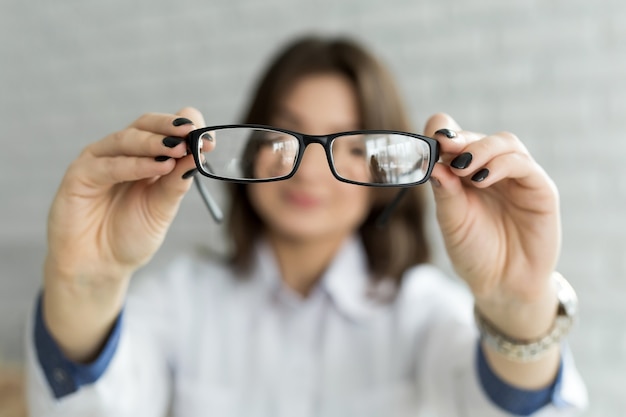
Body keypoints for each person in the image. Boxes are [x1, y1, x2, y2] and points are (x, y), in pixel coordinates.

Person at [25, 35, 588, 416]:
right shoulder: (178, 300)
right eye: (283, 135)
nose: (310, 168)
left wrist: (518, 309)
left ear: (386, 173)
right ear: (248, 152)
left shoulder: (425, 312)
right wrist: (85, 285)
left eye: (347, 145)